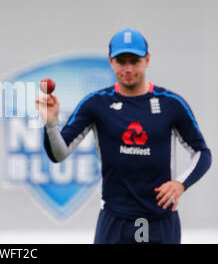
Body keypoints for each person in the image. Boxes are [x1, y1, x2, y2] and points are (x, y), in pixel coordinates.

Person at [36, 28, 211, 244]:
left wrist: (180, 184)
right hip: (114, 220)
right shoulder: (96, 103)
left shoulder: (171, 104)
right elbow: (58, 154)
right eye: (121, 61)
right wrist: (51, 122)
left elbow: (202, 153)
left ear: (147, 60)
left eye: (134, 61)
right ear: (111, 61)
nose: (128, 68)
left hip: (160, 220)